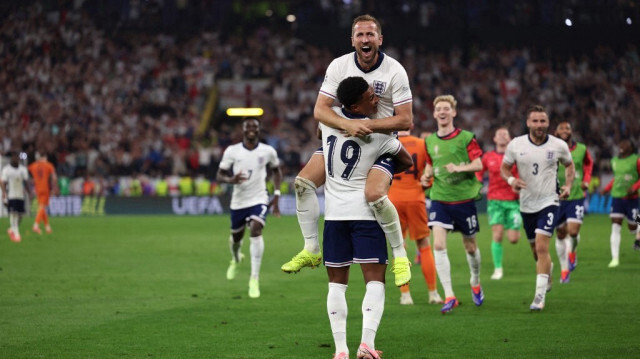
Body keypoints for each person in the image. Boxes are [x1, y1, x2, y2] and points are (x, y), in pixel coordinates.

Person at [281, 14, 413, 288]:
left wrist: (368, 125)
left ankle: (400, 255)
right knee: (303, 184)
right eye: (360, 35)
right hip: (344, 137)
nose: (366, 39)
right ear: (352, 40)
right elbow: (320, 109)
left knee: (374, 194)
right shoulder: (339, 66)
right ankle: (311, 250)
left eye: (370, 34)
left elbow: (405, 120)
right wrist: (346, 125)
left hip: (380, 144)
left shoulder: (395, 71)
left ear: (379, 39)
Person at [322, 76, 412, 359]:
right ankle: (367, 345)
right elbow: (407, 161)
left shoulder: (328, 122)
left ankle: (340, 351)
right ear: (357, 106)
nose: (377, 100)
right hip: (366, 216)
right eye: (371, 97)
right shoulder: (380, 136)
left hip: (334, 215)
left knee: (336, 284)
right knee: (375, 281)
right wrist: (382, 165)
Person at [501, 105, 574, 311]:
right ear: (528, 123)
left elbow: (569, 164)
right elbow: (504, 168)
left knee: (542, 247)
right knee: (535, 251)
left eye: (542, 121)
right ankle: (548, 271)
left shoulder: (558, 145)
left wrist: (568, 185)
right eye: (535, 121)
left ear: (548, 123)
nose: (539, 125)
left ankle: (539, 297)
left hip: (549, 201)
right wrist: (511, 180)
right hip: (526, 204)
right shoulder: (516, 144)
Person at [420, 95, 485, 314]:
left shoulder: (466, 137)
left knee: (471, 246)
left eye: (446, 108)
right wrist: (425, 177)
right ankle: (449, 295)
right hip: (440, 198)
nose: (442, 112)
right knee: (438, 245)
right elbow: (431, 166)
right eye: (439, 108)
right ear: (434, 113)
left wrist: (459, 168)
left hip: (464, 200)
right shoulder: (429, 141)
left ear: (453, 112)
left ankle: (475, 281)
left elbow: (478, 164)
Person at [216, 117, 282, 299]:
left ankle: (254, 278)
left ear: (259, 130)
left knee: (255, 228)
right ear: (242, 130)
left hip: (259, 198)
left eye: (255, 126)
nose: (251, 129)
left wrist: (276, 195)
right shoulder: (232, 151)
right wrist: (231, 180)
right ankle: (236, 259)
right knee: (236, 239)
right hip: (238, 202)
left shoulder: (268, 151)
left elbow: (277, 170)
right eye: (248, 126)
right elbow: (219, 174)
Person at [388, 125, 442, 305]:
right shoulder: (422, 144)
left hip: (393, 199)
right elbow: (429, 175)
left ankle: (405, 295)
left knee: (398, 246)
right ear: (411, 125)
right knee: (424, 245)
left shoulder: (388, 142)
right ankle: (433, 293)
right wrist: (425, 185)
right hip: (416, 198)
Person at [476, 127, 522, 280]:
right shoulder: (488, 157)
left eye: (505, 134)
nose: (502, 136)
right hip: (494, 200)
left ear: (509, 139)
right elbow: (479, 172)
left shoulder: (515, 158)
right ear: (494, 139)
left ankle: (499, 267)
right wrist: (477, 184)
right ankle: (498, 269)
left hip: (513, 200)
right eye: (499, 134)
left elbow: (522, 175)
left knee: (514, 239)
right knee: (497, 234)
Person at [554, 121, 593, 282]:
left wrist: (586, 180)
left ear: (571, 131)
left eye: (567, 128)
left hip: (576, 194)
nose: (565, 130)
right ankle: (564, 270)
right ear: (556, 131)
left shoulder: (582, 149)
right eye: (561, 128)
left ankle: (572, 251)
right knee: (561, 233)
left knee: (573, 232)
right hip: (555, 197)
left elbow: (589, 164)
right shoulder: (551, 148)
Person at [599, 139, 640, 268]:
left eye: (625, 143)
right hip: (617, 197)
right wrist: (606, 188)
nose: (621, 145)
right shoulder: (614, 161)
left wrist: (635, 187)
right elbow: (616, 178)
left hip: (632, 198)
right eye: (620, 143)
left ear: (631, 147)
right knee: (615, 225)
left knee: (633, 228)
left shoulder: (636, 160)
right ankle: (615, 259)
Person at [1, 152, 29, 242]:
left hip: (20, 195)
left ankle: (11, 229)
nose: (16, 159)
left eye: (17, 158)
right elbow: (3, 182)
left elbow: (26, 182)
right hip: (11, 195)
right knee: (13, 214)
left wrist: (30, 192)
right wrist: (4, 194)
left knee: (20, 215)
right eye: (14, 158)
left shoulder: (23, 170)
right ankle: (16, 234)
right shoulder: (6, 170)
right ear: (11, 159)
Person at [28, 152, 58, 234]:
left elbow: (27, 172)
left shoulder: (33, 165)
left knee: (42, 207)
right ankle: (36, 225)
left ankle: (47, 227)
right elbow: (54, 177)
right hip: (45, 188)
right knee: (42, 207)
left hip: (37, 189)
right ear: (44, 157)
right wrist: (55, 187)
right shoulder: (48, 165)